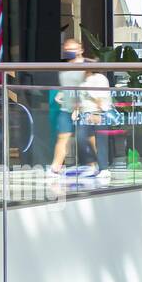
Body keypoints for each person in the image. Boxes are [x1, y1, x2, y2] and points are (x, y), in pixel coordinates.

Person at [49, 38, 105, 179]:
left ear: (80, 50)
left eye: (72, 49)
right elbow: (66, 87)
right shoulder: (63, 68)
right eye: (67, 49)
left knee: (88, 138)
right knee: (63, 137)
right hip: (67, 108)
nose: (69, 52)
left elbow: (92, 86)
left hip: (85, 109)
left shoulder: (88, 67)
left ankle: (95, 166)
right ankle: (55, 167)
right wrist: (61, 94)